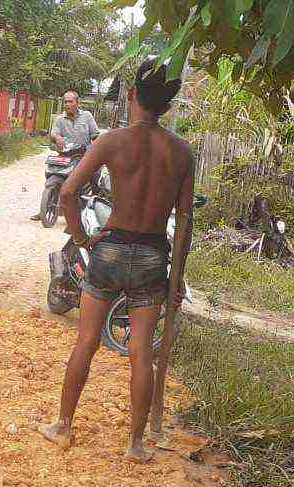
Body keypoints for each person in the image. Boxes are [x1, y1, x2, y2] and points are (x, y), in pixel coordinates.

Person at [38, 59, 194, 464]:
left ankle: (63, 426)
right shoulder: (181, 153)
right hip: (152, 255)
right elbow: (185, 221)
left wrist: (80, 236)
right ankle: (136, 444)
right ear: (167, 105)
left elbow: (69, 192)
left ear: (131, 96)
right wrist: (175, 277)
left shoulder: (111, 141)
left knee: (86, 340)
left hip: (108, 250)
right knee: (141, 349)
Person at [30, 90, 100, 221]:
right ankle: (45, 208)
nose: (67, 104)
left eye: (70, 101)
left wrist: (96, 145)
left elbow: (95, 134)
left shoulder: (87, 116)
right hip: (64, 155)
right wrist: (57, 137)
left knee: (96, 175)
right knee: (51, 173)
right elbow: (53, 133)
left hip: (83, 155)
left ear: (77, 103)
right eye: (65, 102)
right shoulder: (60, 119)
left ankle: (95, 209)